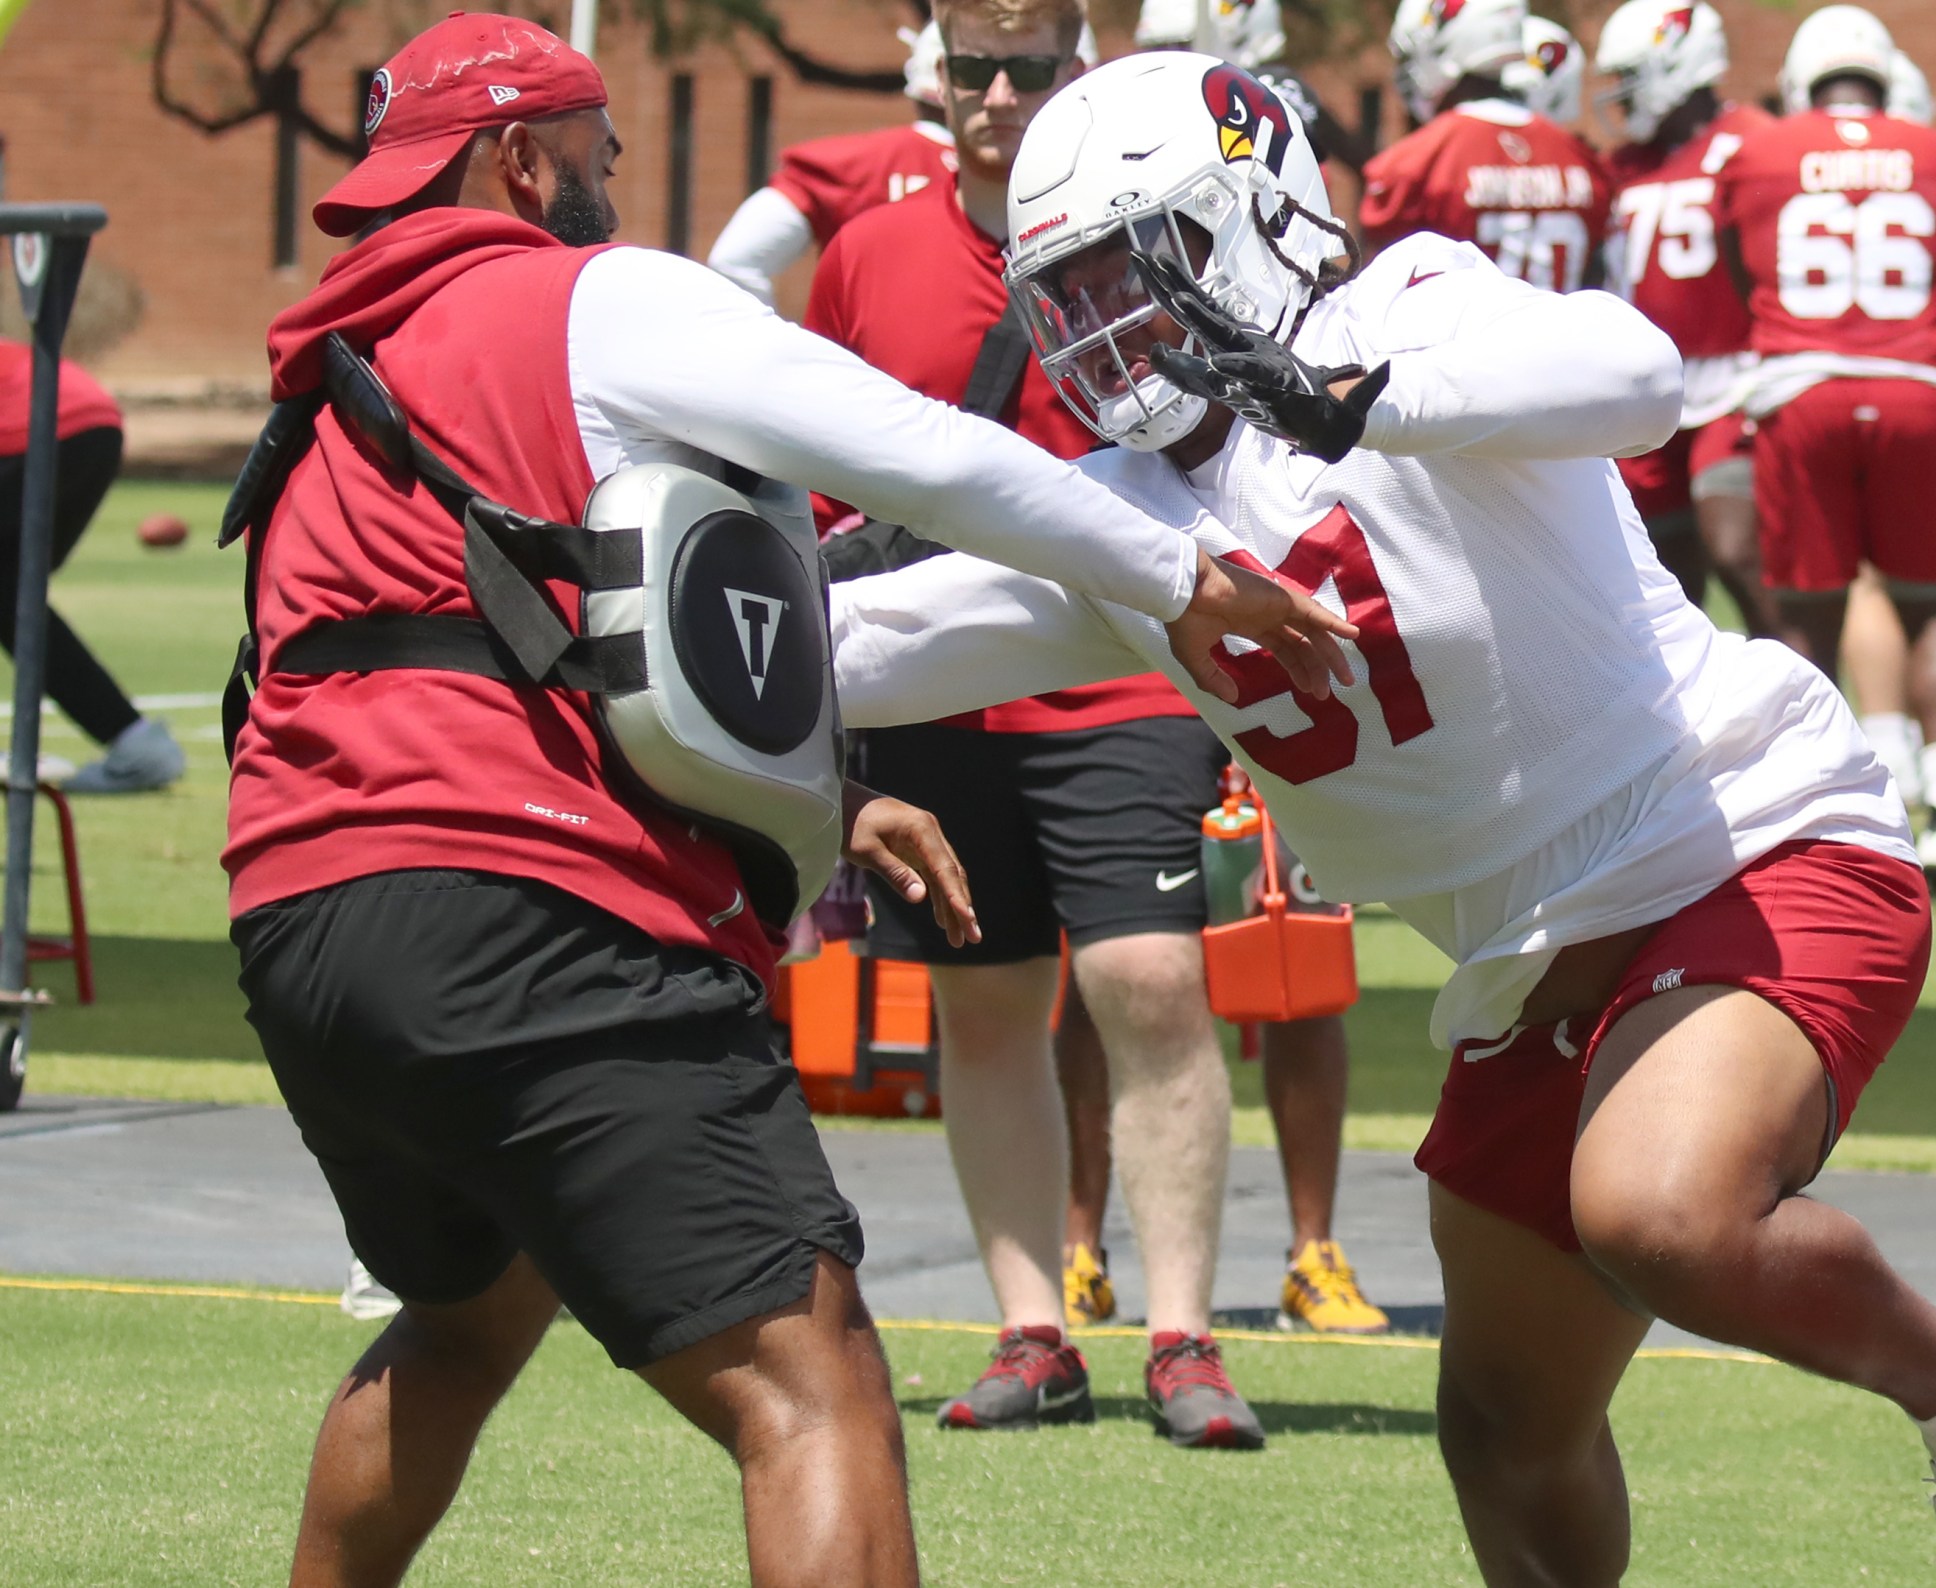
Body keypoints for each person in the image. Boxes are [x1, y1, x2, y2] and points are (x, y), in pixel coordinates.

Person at [832, 48, 1936, 1587]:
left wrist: (1363, 406)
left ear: (1245, 222)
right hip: (1522, 959)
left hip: (1735, 836)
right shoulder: (1130, 518)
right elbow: (889, 642)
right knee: (1504, 1427)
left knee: (1664, 1212)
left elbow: (1631, 372)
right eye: (1064, 300)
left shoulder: (1402, 311)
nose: (1099, 336)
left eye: (1125, 278)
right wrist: (682, 605)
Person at [226, 17, 1350, 1584]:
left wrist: (823, 798)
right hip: (532, 912)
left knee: (462, 1323)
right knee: (812, 1391)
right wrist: (1181, 576)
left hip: (302, 926)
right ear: (521, 159)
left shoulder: (324, 370)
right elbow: (923, 459)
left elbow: (490, 647)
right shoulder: (597, 297)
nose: (614, 195)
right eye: (602, 162)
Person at [809, 0, 1288, 1444]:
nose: (1000, 94)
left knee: (1150, 986)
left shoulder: (1142, 229)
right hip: (932, 683)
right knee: (986, 1000)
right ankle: (1033, 1329)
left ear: (1080, 72)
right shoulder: (868, 252)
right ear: (937, 76)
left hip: (1125, 670)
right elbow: (823, 482)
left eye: (1032, 67)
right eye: (975, 67)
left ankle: (1185, 1338)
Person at [1054, 0, 1392, 1341]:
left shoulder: (1276, 181)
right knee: (1122, 963)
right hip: (1134, 611)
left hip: (1281, 608)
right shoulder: (1081, 178)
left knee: (1295, 949)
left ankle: (1313, 1245)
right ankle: (1081, 1233)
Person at [1712, 5, 1936, 907]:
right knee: (1935, 609)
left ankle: (1808, 816)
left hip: (1803, 391)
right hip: (1919, 387)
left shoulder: (1760, 151)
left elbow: (1741, 268)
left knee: (1803, 614)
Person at [1591, 0, 1775, 634]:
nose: (1620, 94)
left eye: (1631, 75)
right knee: (1659, 570)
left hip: (1736, 376)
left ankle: (1804, 691)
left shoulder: (1754, 140)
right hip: (1647, 383)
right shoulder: (1622, 166)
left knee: (1737, 553)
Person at [0, 343, 182, 793]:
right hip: (95, 425)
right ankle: (137, 744)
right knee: (10, 601)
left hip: (34, 427)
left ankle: (136, 744)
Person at [1363, 0, 1610, 292]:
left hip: (1458, 337)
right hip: (1563, 334)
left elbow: (1379, 298)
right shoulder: (1582, 160)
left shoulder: (1415, 162)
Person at [706, 25, 958, 306]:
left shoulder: (852, 165)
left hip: (860, 348)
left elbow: (734, 262)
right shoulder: (1007, 171)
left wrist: (777, 347)